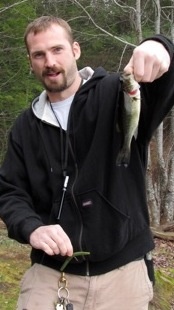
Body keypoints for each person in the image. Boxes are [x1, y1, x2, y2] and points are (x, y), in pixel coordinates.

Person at [0, 15, 174, 310]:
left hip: (124, 273)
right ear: (31, 63)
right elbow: (9, 193)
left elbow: (163, 85)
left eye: (57, 50)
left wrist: (161, 47)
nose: (49, 62)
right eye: (39, 55)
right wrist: (32, 227)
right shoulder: (25, 127)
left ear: (76, 50)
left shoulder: (116, 92)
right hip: (50, 273)